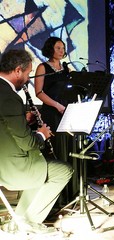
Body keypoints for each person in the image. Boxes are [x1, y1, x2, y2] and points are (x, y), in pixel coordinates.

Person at [0, 49, 73, 232]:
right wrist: (42, 134)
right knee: (63, 170)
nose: (27, 79)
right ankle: (29, 222)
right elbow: (27, 143)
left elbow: (5, 126)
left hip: (5, 158)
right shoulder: (9, 97)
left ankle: (19, 219)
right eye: (26, 74)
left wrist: (24, 121)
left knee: (42, 170)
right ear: (17, 70)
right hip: (10, 166)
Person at [34, 36, 69, 161]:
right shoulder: (42, 67)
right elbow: (38, 92)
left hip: (66, 111)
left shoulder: (66, 68)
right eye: (58, 48)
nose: (61, 51)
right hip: (51, 112)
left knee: (68, 146)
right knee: (54, 147)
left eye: (63, 48)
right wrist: (57, 105)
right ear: (50, 49)